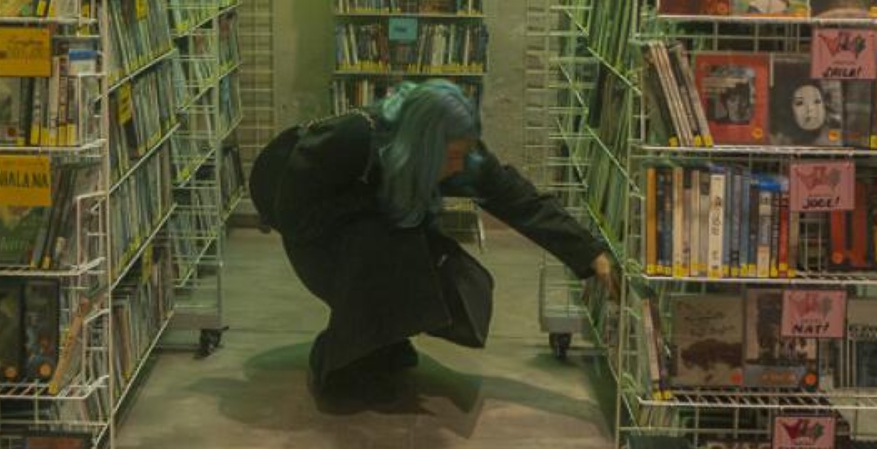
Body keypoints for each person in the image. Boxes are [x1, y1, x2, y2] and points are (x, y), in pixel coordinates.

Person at [250, 81, 614, 395]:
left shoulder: (460, 153)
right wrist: (377, 211)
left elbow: (518, 200)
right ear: (423, 144)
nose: (458, 166)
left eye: (464, 154)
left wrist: (590, 254)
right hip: (316, 240)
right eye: (451, 156)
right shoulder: (356, 137)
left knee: (435, 269)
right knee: (391, 251)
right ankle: (336, 359)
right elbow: (292, 204)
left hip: (372, 230)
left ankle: (381, 343)